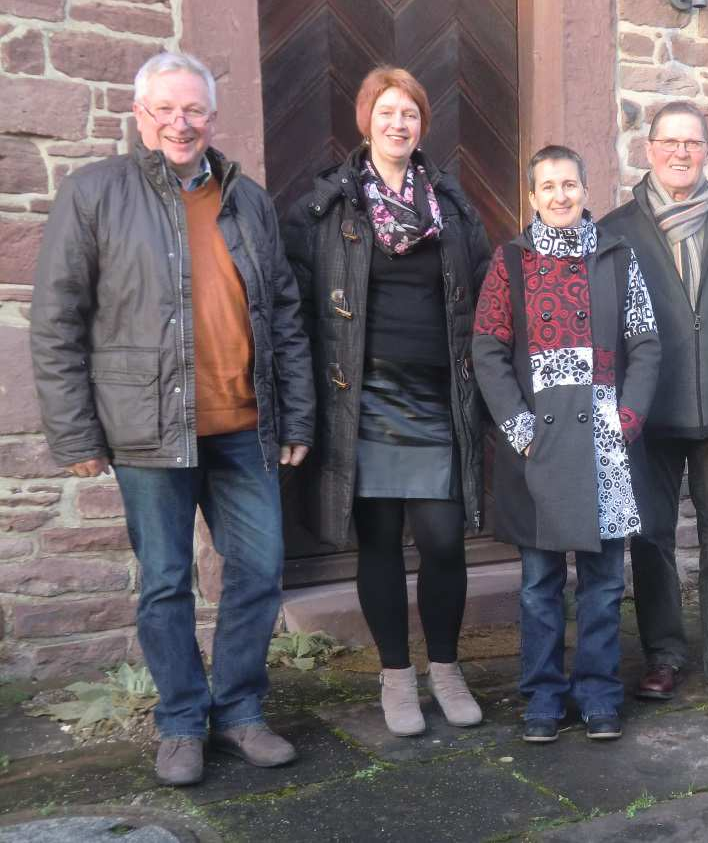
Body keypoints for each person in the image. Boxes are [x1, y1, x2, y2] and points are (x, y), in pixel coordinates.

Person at [30, 51, 314, 786]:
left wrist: (296, 417)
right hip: (146, 429)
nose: (180, 123)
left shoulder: (244, 197)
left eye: (193, 110)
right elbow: (58, 319)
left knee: (258, 571)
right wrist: (74, 434)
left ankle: (242, 710)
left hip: (244, 425)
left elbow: (283, 310)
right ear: (140, 116)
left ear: (211, 118)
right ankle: (182, 722)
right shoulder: (96, 192)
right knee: (165, 581)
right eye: (165, 110)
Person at [281, 67, 492, 738]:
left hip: (436, 393)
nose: (398, 124)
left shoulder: (454, 209)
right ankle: (397, 677)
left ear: (422, 125)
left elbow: (488, 296)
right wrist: (300, 407)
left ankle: (448, 668)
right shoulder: (327, 207)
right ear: (365, 121)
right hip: (362, 397)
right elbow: (302, 314)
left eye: (410, 114)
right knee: (376, 542)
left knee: (441, 540)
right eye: (386, 112)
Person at [473, 145, 659, 742]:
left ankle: (600, 695)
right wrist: (520, 428)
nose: (560, 196)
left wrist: (627, 418)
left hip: (604, 441)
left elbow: (647, 344)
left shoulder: (616, 256)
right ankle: (544, 698)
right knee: (538, 585)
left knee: (604, 584)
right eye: (548, 186)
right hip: (541, 445)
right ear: (532, 197)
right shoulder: (511, 261)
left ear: (585, 190)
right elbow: (488, 348)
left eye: (570, 185)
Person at [599, 101, 708, 710]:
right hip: (648, 410)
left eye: (692, 143)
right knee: (651, 537)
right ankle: (664, 655)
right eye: (669, 142)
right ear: (648, 150)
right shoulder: (615, 231)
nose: (680, 152)